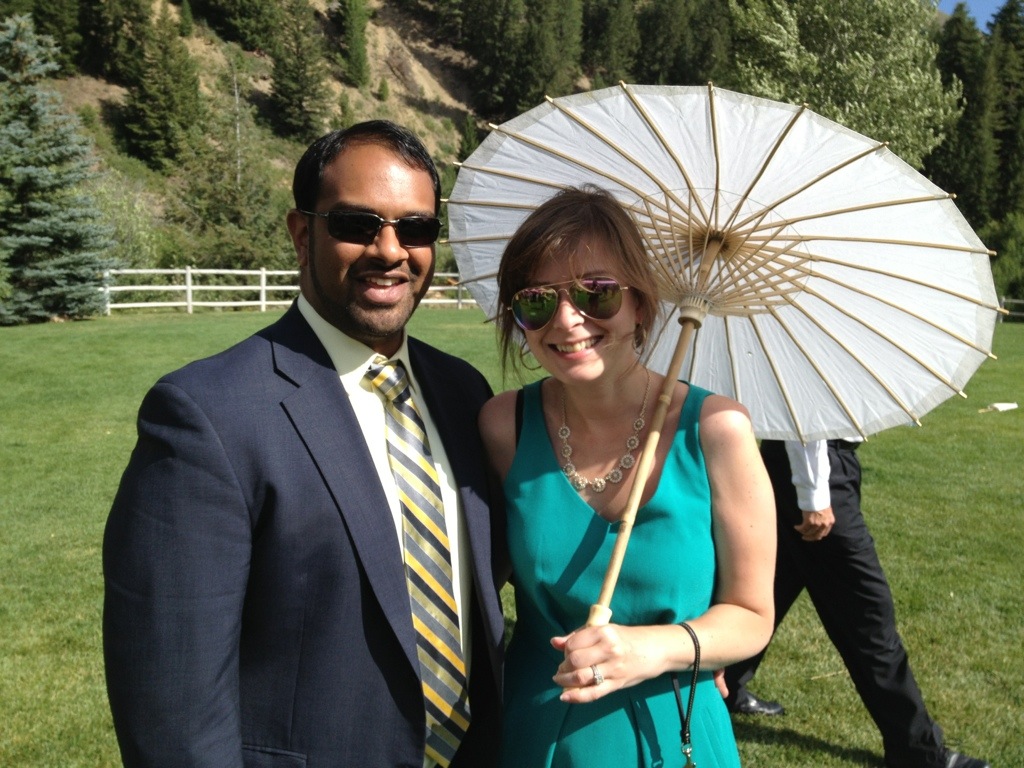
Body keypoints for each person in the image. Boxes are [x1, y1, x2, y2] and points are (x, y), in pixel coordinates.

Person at [103, 120, 506, 767]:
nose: (390, 250)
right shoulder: (207, 416)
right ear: (301, 233)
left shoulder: (465, 394)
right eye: (356, 224)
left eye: (416, 228)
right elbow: (172, 701)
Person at [477, 186, 776, 768]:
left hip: (675, 728)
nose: (567, 320)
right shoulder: (503, 426)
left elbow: (751, 615)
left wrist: (652, 648)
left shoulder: (718, 430)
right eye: (536, 301)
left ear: (641, 304)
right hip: (537, 731)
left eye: (597, 292)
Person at [723, 439, 990, 768]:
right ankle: (917, 751)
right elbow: (805, 420)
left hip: (798, 467)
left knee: (770, 588)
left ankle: (723, 687)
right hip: (815, 471)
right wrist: (813, 496)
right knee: (868, 614)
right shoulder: (814, 481)